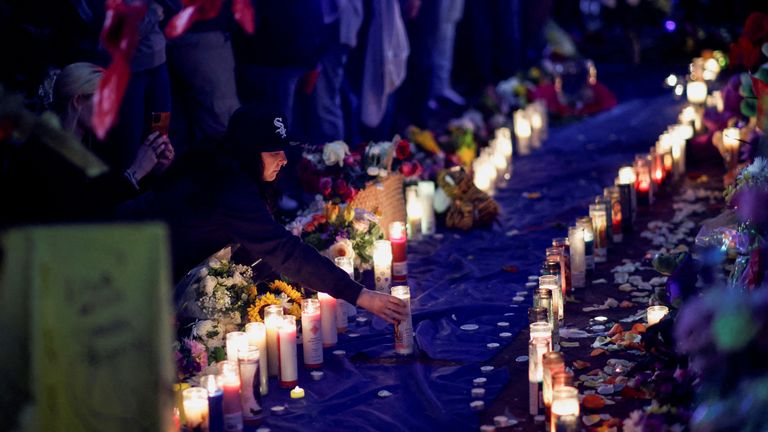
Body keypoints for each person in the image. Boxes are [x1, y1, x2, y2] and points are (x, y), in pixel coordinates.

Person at [121, 106, 408, 324]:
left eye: (283, 150)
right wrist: (361, 295)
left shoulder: (229, 163)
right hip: (130, 263)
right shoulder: (230, 186)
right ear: (250, 152)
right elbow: (281, 249)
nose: (283, 160)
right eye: (273, 153)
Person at [53, 62, 174, 191]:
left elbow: (115, 195)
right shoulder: (52, 156)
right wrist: (134, 173)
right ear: (78, 101)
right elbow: (95, 207)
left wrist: (153, 171)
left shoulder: (96, 144)